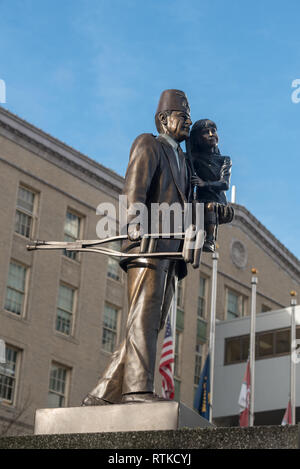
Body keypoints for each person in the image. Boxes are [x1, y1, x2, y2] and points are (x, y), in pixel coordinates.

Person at [82, 89, 192, 405]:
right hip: (148, 245)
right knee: (143, 318)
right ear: (163, 118)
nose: (187, 122)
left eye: (188, 117)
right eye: (182, 116)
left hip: (171, 254)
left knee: (150, 323)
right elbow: (135, 188)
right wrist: (136, 226)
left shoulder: (183, 161)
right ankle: (136, 391)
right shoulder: (149, 144)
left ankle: (101, 396)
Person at [190, 119, 233, 253]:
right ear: (198, 138)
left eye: (213, 131)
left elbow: (224, 184)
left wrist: (204, 184)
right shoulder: (194, 158)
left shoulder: (224, 160)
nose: (211, 134)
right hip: (200, 200)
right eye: (205, 132)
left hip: (217, 202)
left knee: (209, 206)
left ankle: (210, 240)